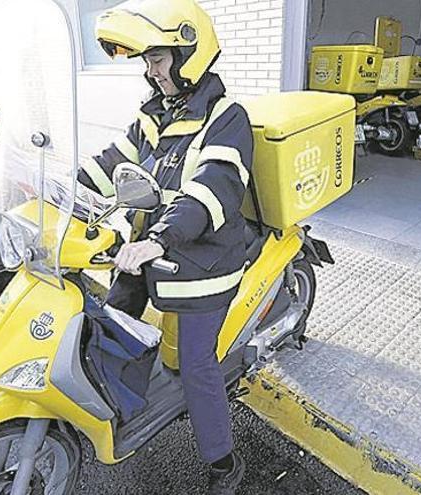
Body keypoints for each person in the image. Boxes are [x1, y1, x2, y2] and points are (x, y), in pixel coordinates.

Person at [81, 0, 253, 493]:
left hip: (204, 258)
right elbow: (112, 163)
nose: (151, 72)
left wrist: (156, 240)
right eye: (147, 62)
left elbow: (212, 190)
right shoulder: (156, 116)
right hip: (153, 248)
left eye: (157, 59)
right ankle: (121, 406)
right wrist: (60, 190)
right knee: (112, 320)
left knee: (197, 365)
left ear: (188, 54)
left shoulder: (226, 117)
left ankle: (224, 463)